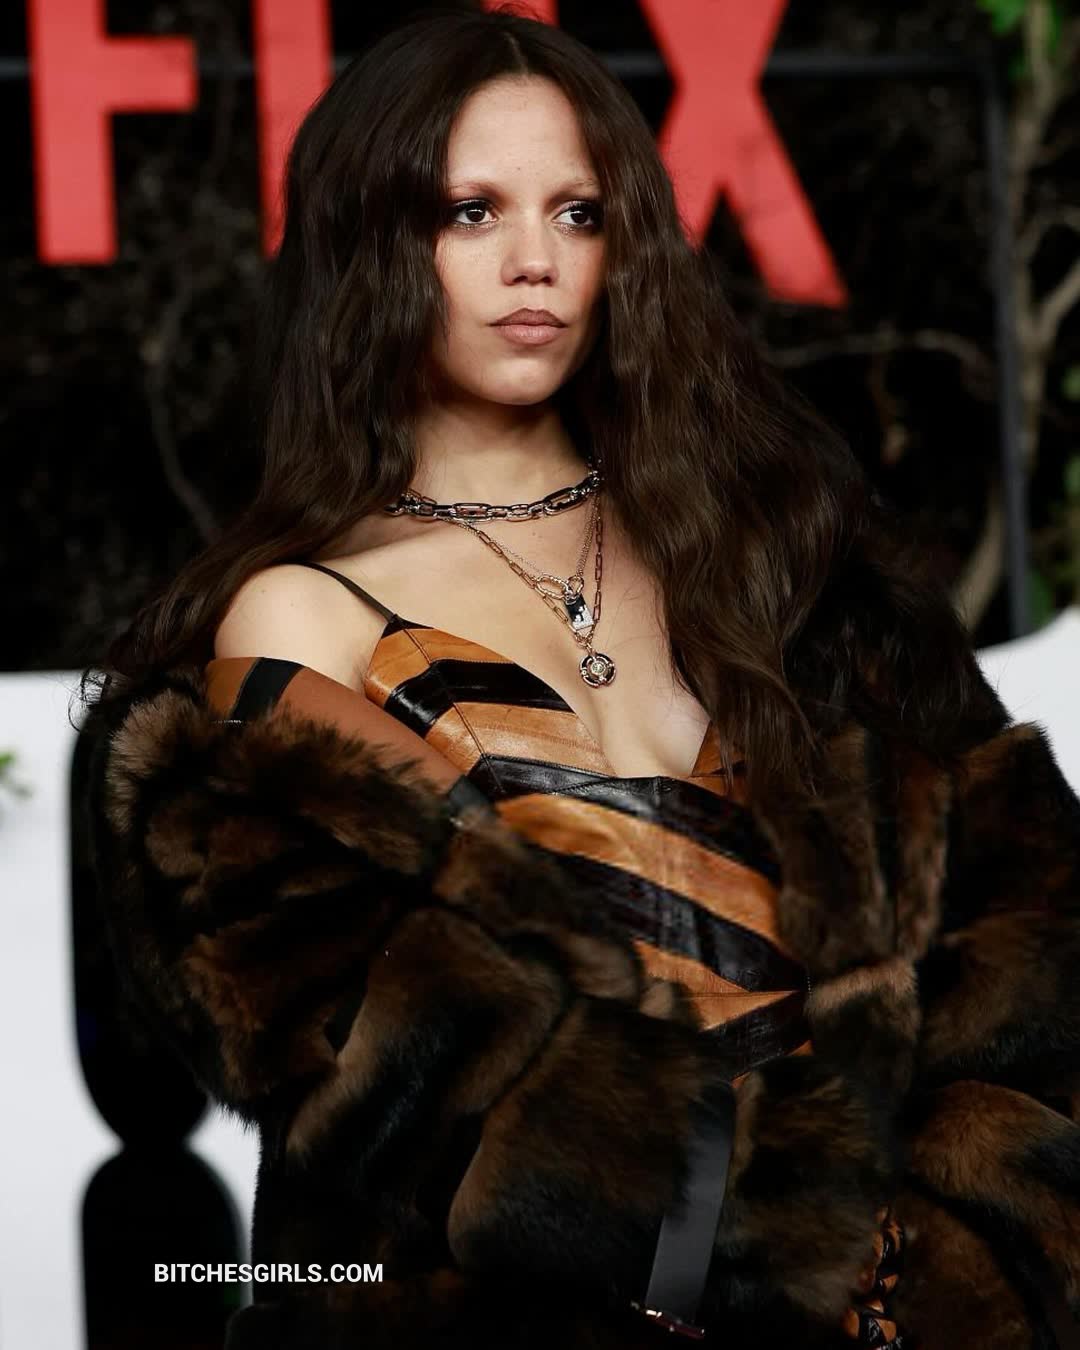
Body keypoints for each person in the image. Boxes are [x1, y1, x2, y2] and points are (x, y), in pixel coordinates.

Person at [80, 7, 1080, 1349]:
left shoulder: (772, 561)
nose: (535, 260)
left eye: (578, 212)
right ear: (372, 241)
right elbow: (412, 1064)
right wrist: (773, 1237)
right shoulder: (306, 614)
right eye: (472, 212)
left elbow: (1021, 940)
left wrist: (957, 1261)